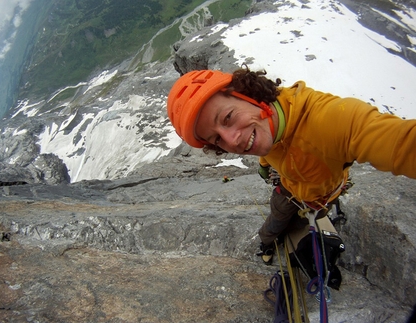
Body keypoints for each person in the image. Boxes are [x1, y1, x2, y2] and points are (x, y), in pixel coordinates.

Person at [166, 67, 416, 264]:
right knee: (276, 222)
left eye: (228, 117)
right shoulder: (265, 122)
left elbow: (403, 144)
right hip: (292, 192)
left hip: (321, 195)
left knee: (290, 219)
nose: (232, 140)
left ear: (247, 95)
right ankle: (266, 244)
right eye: (217, 138)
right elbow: (269, 146)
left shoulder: (330, 119)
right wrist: (264, 164)